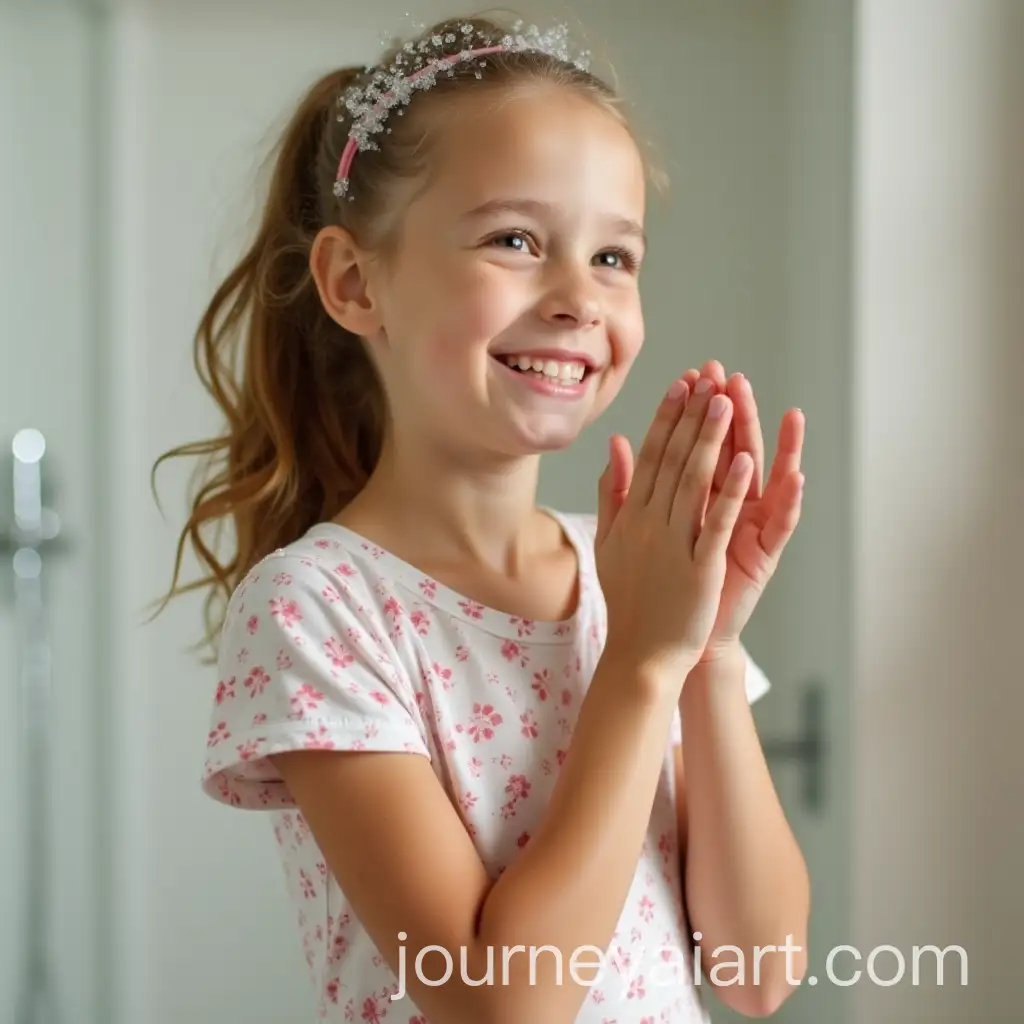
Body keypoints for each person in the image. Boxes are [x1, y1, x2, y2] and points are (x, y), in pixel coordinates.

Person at [156, 14, 810, 1023]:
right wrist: (641, 664)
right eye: (514, 240)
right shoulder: (318, 608)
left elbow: (758, 973)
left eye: (614, 257)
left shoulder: (629, 576)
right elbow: (498, 1003)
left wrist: (710, 649)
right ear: (353, 280)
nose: (578, 300)